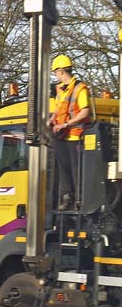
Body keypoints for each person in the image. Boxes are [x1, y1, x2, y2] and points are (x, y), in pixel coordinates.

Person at [48, 54, 91, 210]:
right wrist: (52, 119)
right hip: (62, 136)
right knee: (64, 170)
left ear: (60, 71)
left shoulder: (80, 88)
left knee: (75, 171)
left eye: (55, 72)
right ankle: (68, 198)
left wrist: (66, 124)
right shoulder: (60, 89)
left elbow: (85, 112)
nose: (55, 75)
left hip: (75, 136)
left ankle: (78, 200)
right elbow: (58, 109)